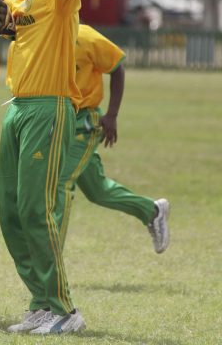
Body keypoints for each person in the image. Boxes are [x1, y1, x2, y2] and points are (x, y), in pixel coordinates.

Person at [0, 0, 86, 335]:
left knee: (35, 209)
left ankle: (64, 309)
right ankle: (41, 302)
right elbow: (0, 18)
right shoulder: (19, 3)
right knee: (9, 211)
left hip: (49, 109)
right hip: (15, 109)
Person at [57, 24, 170, 252]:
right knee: (98, 191)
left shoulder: (86, 36)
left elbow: (117, 68)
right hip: (58, 119)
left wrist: (112, 115)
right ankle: (152, 211)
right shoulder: (46, 33)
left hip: (84, 121)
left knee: (59, 181)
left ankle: (50, 253)